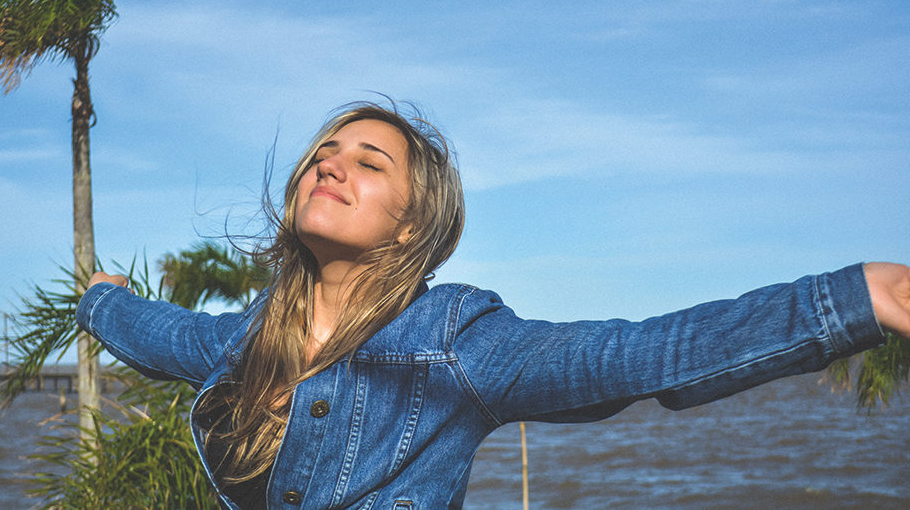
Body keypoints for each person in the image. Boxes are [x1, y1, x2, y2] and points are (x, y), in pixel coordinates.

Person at [78, 101, 910, 509]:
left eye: (369, 162)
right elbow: (158, 331)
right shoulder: (246, 340)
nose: (330, 166)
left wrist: (850, 299)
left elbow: (636, 352)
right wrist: (100, 302)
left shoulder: (457, 344)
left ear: (411, 225)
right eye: (323, 154)